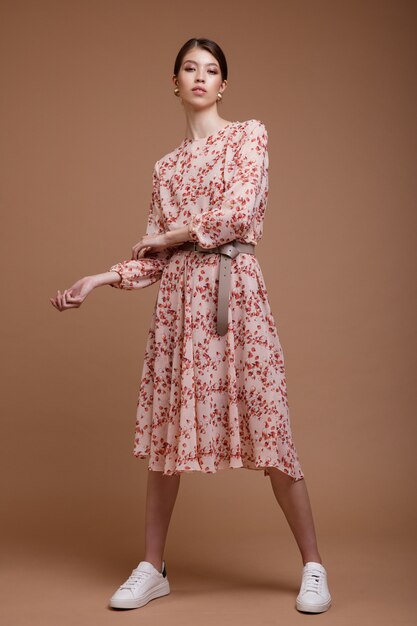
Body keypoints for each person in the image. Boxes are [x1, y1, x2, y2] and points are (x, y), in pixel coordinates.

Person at [50, 37, 332, 614]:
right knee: (165, 445)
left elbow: (240, 213)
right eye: (189, 68)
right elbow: (151, 260)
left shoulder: (248, 134)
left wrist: (170, 236)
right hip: (179, 312)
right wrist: (98, 280)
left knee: (271, 429)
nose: (200, 77)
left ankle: (313, 566)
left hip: (236, 302)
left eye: (211, 70)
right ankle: (152, 567)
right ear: (174, 81)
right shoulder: (165, 168)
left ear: (223, 84)